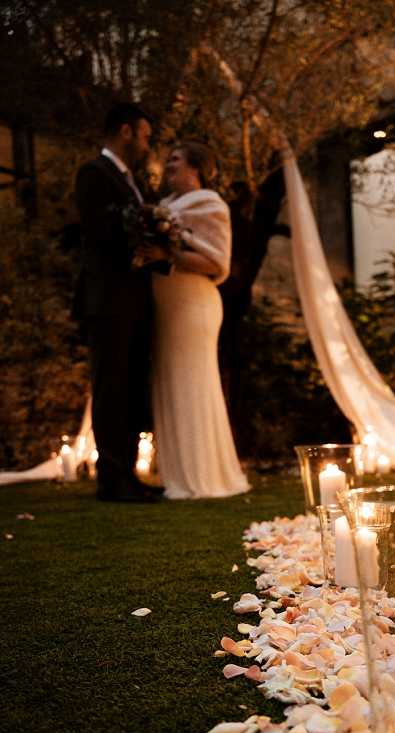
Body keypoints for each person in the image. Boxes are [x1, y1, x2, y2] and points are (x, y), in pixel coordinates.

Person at [74, 102, 164, 503]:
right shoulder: (94, 173)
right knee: (111, 387)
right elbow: (100, 232)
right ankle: (113, 478)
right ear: (125, 131)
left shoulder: (131, 180)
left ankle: (125, 473)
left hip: (132, 299)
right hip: (109, 300)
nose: (148, 144)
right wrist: (142, 232)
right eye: (145, 135)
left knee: (128, 387)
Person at [149, 142, 249, 499]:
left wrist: (167, 253)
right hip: (166, 305)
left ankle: (202, 477)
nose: (168, 164)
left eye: (175, 159)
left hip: (193, 303)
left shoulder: (210, 203)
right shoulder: (162, 208)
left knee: (192, 381)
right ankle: (175, 475)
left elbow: (217, 263)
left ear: (196, 168)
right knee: (169, 383)